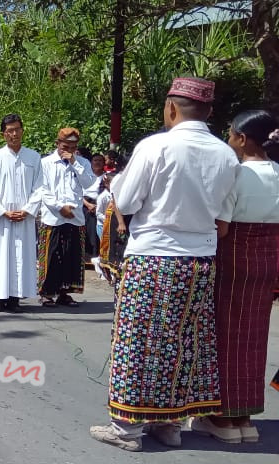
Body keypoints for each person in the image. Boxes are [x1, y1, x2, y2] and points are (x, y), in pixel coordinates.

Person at [89, 77, 240, 452]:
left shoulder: (156, 146)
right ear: (207, 112)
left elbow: (124, 199)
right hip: (201, 262)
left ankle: (126, 429)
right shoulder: (225, 154)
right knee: (183, 343)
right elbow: (225, 216)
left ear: (172, 108)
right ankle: (169, 425)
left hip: (154, 256)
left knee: (138, 343)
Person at [205, 110, 279, 443]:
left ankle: (223, 418)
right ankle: (246, 419)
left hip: (235, 257)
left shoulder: (236, 174)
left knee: (226, 336)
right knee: (254, 338)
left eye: (232, 134)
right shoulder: (278, 172)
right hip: (268, 262)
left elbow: (221, 228)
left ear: (243, 139)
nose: (229, 140)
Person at [0, 114, 43, 312]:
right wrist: (3, 211)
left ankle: (16, 298)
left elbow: (39, 187)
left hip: (23, 217)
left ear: (22, 131)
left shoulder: (33, 157)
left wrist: (27, 210)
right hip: (2, 218)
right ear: (3, 135)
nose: (14, 134)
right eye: (9, 131)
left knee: (21, 256)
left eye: (17, 129)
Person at [36, 127, 96, 307]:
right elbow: (42, 190)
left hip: (75, 215)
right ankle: (47, 293)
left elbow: (89, 184)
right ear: (57, 144)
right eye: (65, 146)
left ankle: (65, 292)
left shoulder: (83, 163)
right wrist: (59, 207)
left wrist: (75, 163)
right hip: (54, 216)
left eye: (73, 146)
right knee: (52, 254)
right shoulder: (45, 163)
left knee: (71, 255)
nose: (69, 150)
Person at [82, 154, 106, 259]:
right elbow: (78, 193)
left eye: (100, 161)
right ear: (91, 162)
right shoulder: (85, 176)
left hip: (99, 206)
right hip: (84, 204)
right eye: (95, 160)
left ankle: (95, 256)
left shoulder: (106, 177)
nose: (97, 163)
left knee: (96, 231)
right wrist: (87, 204)